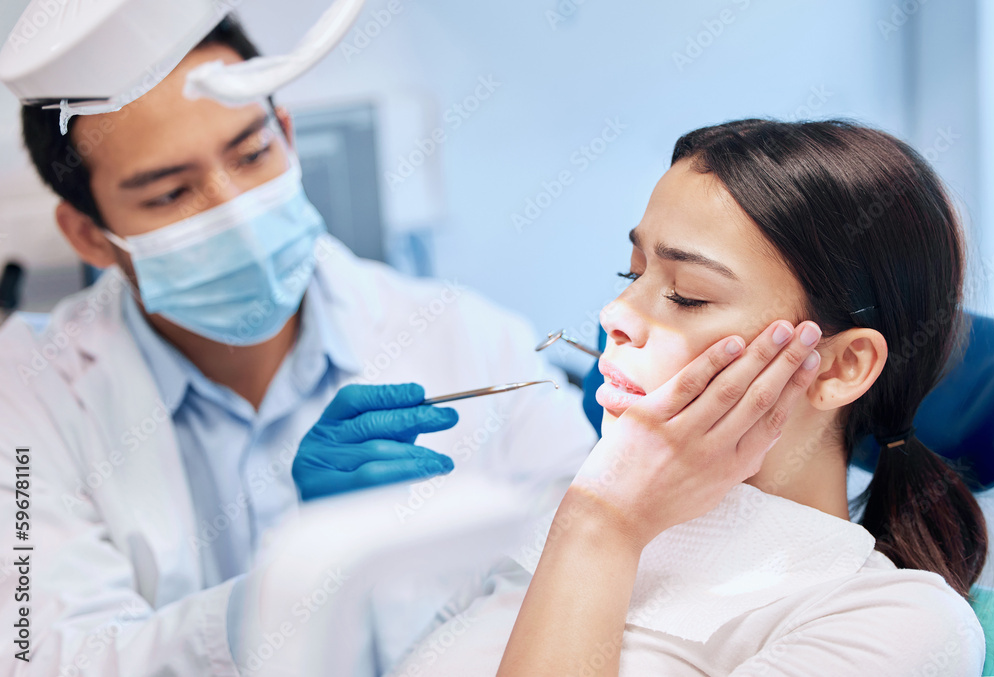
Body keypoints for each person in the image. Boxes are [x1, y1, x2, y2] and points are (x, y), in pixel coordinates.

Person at [0, 16, 596, 676]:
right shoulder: (23, 400)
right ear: (88, 234)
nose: (235, 212)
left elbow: (585, 579)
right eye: (171, 192)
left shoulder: (471, 339)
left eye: (252, 154)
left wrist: (623, 462)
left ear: (286, 133)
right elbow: (46, 654)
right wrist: (298, 581)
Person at [395, 119, 988, 676]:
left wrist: (603, 527)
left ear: (839, 367)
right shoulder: (557, 513)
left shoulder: (896, 625)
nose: (615, 314)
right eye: (633, 275)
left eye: (687, 295)